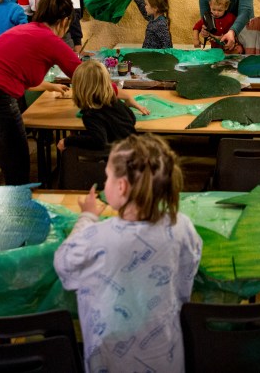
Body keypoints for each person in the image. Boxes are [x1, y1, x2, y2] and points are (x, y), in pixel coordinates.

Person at [54, 134, 202, 372]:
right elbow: (188, 271)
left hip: (111, 359)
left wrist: (87, 217)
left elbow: (63, 262)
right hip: (166, 354)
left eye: (107, 177)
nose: (105, 182)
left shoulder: (97, 237)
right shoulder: (182, 225)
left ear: (121, 186)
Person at [0, 0, 80, 190]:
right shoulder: (50, 39)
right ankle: (16, 209)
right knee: (16, 169)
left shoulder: (23, 30)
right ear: (65, 21)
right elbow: (86, 76)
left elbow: (11, 72)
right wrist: (123, 95)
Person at [56, 60, 148, 153]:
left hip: (121, 157)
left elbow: (98, 141)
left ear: (78, 88)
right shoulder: (116, 101)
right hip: (135, 150)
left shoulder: (91, 115)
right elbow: (132, 119)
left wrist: (68, 141)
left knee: (69, 152)